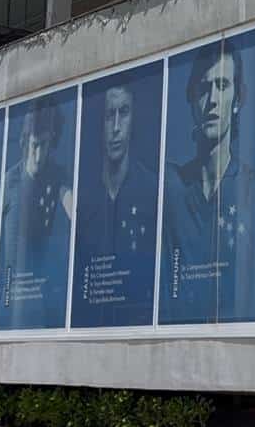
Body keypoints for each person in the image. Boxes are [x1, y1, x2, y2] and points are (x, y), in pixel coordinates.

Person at [160, 39, 255, 324]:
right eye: (204, 88)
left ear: (238, 99)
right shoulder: (171, 188)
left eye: (222, 85)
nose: (213, 99)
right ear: (192, 99)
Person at [75, 74, 159, 326]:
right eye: (109, 115)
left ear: (134, 120)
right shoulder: (84, 198)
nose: (115, 127)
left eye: (124, 112)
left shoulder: (152, 190)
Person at [0, 96, 73, 329]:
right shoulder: (9, 181)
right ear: (24, 142)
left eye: (46, 144)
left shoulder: (57, 174)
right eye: (35, 145)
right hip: (14, 292)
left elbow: (71, 204)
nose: (39, 155)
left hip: (43, 290)